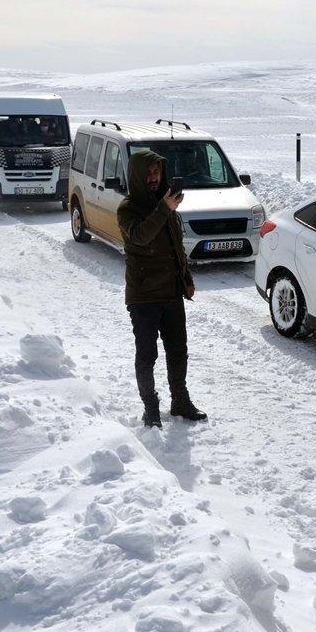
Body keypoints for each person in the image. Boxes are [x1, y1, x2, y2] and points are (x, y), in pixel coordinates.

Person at [118, 151, 207, 428]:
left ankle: (180, 400)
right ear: (137, 176)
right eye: (148, 173)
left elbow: (176, 247)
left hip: (171, 292)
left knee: (178, 350)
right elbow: (141, 236)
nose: (154, 178)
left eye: (157, 172)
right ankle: (151, 407)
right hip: (143, 296)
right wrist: (164, 209)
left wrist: (187, 278)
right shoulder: (127, 208)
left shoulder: (164, 204)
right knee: (147, 354)